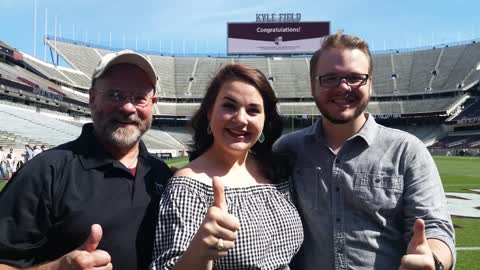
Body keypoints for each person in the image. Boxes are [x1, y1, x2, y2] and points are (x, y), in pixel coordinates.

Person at [274, 32, 455, 270]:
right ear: (313, 85)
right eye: (330, 78)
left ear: (370, 82)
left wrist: (432, 258)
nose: (343, 87)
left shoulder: (407, 150)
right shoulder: (287, 150)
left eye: (355, 78)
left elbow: (435, 227)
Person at [0, 50, 172, 270]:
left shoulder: (161, 174)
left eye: (139, 98)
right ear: (92, 98)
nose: (128, 108)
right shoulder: (46, 172)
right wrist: (57, 269)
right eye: (115, 95)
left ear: (152, 104)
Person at [149, 64, 303, 269]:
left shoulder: (275, 173)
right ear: (209, 112)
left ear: (265, 121)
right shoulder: (187, 186)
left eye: (253, 110)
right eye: (229, 106)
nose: (241, 119)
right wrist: (199, 253)